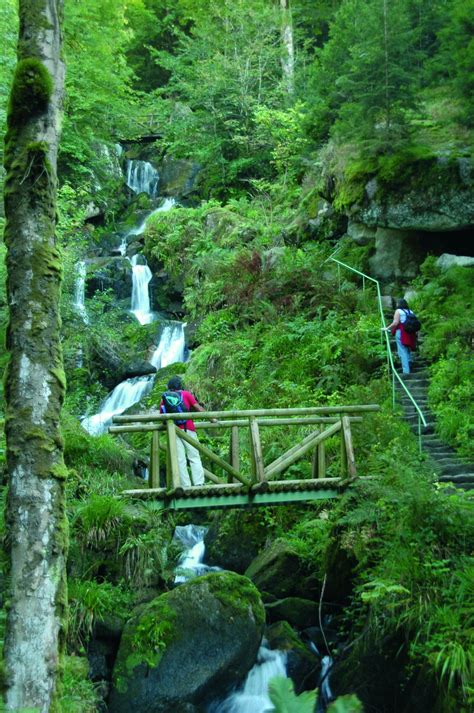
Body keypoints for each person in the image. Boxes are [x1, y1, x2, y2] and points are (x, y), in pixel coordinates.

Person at [160, 376, 206, 487]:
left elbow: (162, 416)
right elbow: (198, 408)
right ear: (180, 385)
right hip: (188, 428)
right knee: (194, 456)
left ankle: (185, 485)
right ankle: (199, 483)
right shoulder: (186, 394)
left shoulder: (164, 399)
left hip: (174, 431)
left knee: (180, 459)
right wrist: (212, 418)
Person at [383, 299, 417, 375]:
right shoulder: (410, 311)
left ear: (399, 304)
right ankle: (409, 363)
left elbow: (395, 323)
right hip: (410, 333)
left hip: (401, 332)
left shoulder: (398, 311)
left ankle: (406, 371)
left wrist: (387, 328)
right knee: (407, 348)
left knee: (402, 351)